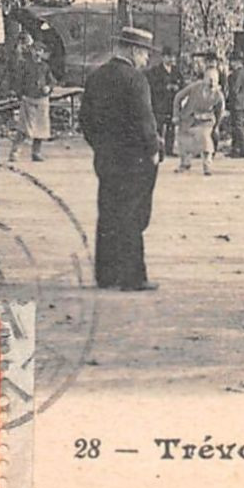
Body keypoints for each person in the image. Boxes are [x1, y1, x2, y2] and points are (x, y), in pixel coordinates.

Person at [79, 27, 162, 291]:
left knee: (108, 213)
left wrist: (100, 145)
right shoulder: (136, 80)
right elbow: (144, 121)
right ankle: (132, 277)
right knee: (132, 216)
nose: (146, 60)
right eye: (145, 53)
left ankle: (106, 275)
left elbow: (85, 121)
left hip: (106, 157)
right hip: (133, 159)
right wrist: (153, 149)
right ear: (134, 50)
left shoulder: (96, 77)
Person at [172, 60, 226, 176]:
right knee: (183, 138)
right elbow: (178, 97)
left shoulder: (218, 95)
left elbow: (220, 111)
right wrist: (176, 115)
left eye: (215, 80)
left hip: (206, 121)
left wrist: (216, 126)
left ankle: (207, 166)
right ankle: (185, 163)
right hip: (188, 118)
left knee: (205, 139)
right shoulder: (194, 87)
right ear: (204, 79)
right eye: (209, 79)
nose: (211, 83)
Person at [7, 40, 54, 163]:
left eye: (40, 50)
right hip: (28, 99)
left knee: (41, 129)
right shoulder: (25, 65)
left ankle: (36, 153)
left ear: (43, 53)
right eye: (35, 50)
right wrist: (20, 94)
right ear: (31, 51)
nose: (37, 53)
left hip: (42, 100)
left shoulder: (45, 66)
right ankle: (15, 152)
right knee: (23, 128)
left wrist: (49, 88)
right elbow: (18, 82)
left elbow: (51, 81)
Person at [146, 53, 179, 163]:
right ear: (163, 57)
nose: (171, 59)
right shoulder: (156, 71)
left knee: (171, 127)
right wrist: (165, 87)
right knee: (159, 127)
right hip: (160, 103)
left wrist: (177, 87)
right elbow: (152, 85)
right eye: (169, 56)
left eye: (173, 57)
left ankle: (169, 149)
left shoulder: (176, 70)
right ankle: (158, 150)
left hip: (172, 102)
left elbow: (182, 82)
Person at [226, 53, 244, 159]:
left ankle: (243, 150)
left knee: (237, 128)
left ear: (237, 62)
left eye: (232, 61)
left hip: (237, 104)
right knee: (237, 127)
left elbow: (234, 89)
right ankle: (235, 150)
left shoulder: (237, 74)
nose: (231, 64)